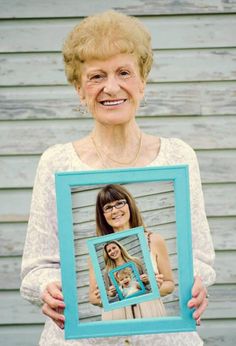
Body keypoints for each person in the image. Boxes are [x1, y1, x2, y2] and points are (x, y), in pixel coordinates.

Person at [20, 9, 216, 346]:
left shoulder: (178, 156)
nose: (112, 87)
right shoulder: (56, 163)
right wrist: (48, 288)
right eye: (96, 76)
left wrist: (194, 284)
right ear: (79, 89)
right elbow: (37, 267)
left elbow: (197, 256)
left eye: (124, 72)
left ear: (142, 81)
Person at [89, 183, 174, 320]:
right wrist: (105, 296)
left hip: (150, 315)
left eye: (120, 203)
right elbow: (93, 297)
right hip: (116, 319)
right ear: (102, 215)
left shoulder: (154, 240)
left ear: (129, 205)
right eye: (108, 207)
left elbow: (169, 284)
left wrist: (153, 287)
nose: (115, 210)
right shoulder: (94, 251)